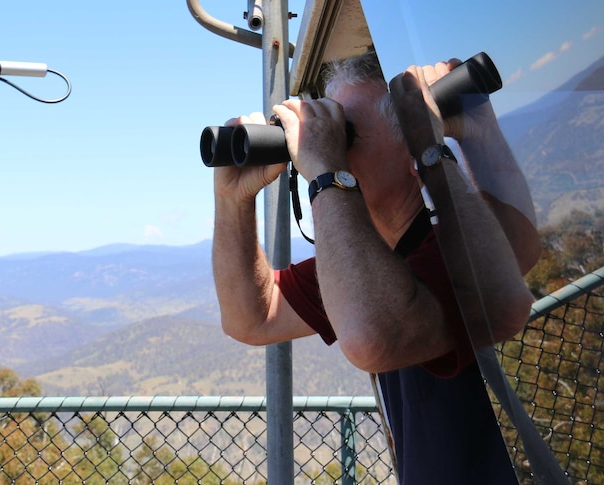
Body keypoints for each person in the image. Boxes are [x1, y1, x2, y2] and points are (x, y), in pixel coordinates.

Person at [211, 51, 542, 484]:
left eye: (344, 134)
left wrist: (327, 173)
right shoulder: (370, 258)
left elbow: (374, 337)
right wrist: (233, 200)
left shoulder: (450, 250)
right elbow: (251, 316)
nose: (321, 144)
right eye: (322, 130)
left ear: (412, 151)